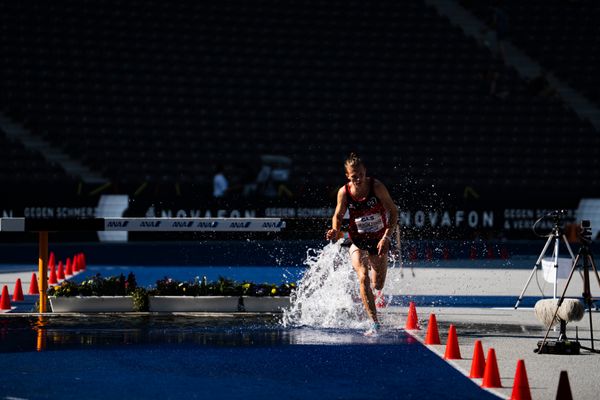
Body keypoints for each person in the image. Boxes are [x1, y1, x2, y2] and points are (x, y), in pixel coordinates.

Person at [326, 152, 398, 335]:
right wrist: (335, 229)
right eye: (353, 177)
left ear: (365, 171)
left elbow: (393, 212)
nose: (358, 179)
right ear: (347, 177)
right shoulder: (344, 192)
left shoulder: (377, 186)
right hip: (357, 239)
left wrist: (386, 237)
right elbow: (338, 215)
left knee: (378, 284)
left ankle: (371, 294)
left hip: (379, 239)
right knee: (363, 276)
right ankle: (374, 323)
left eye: (360, 175)